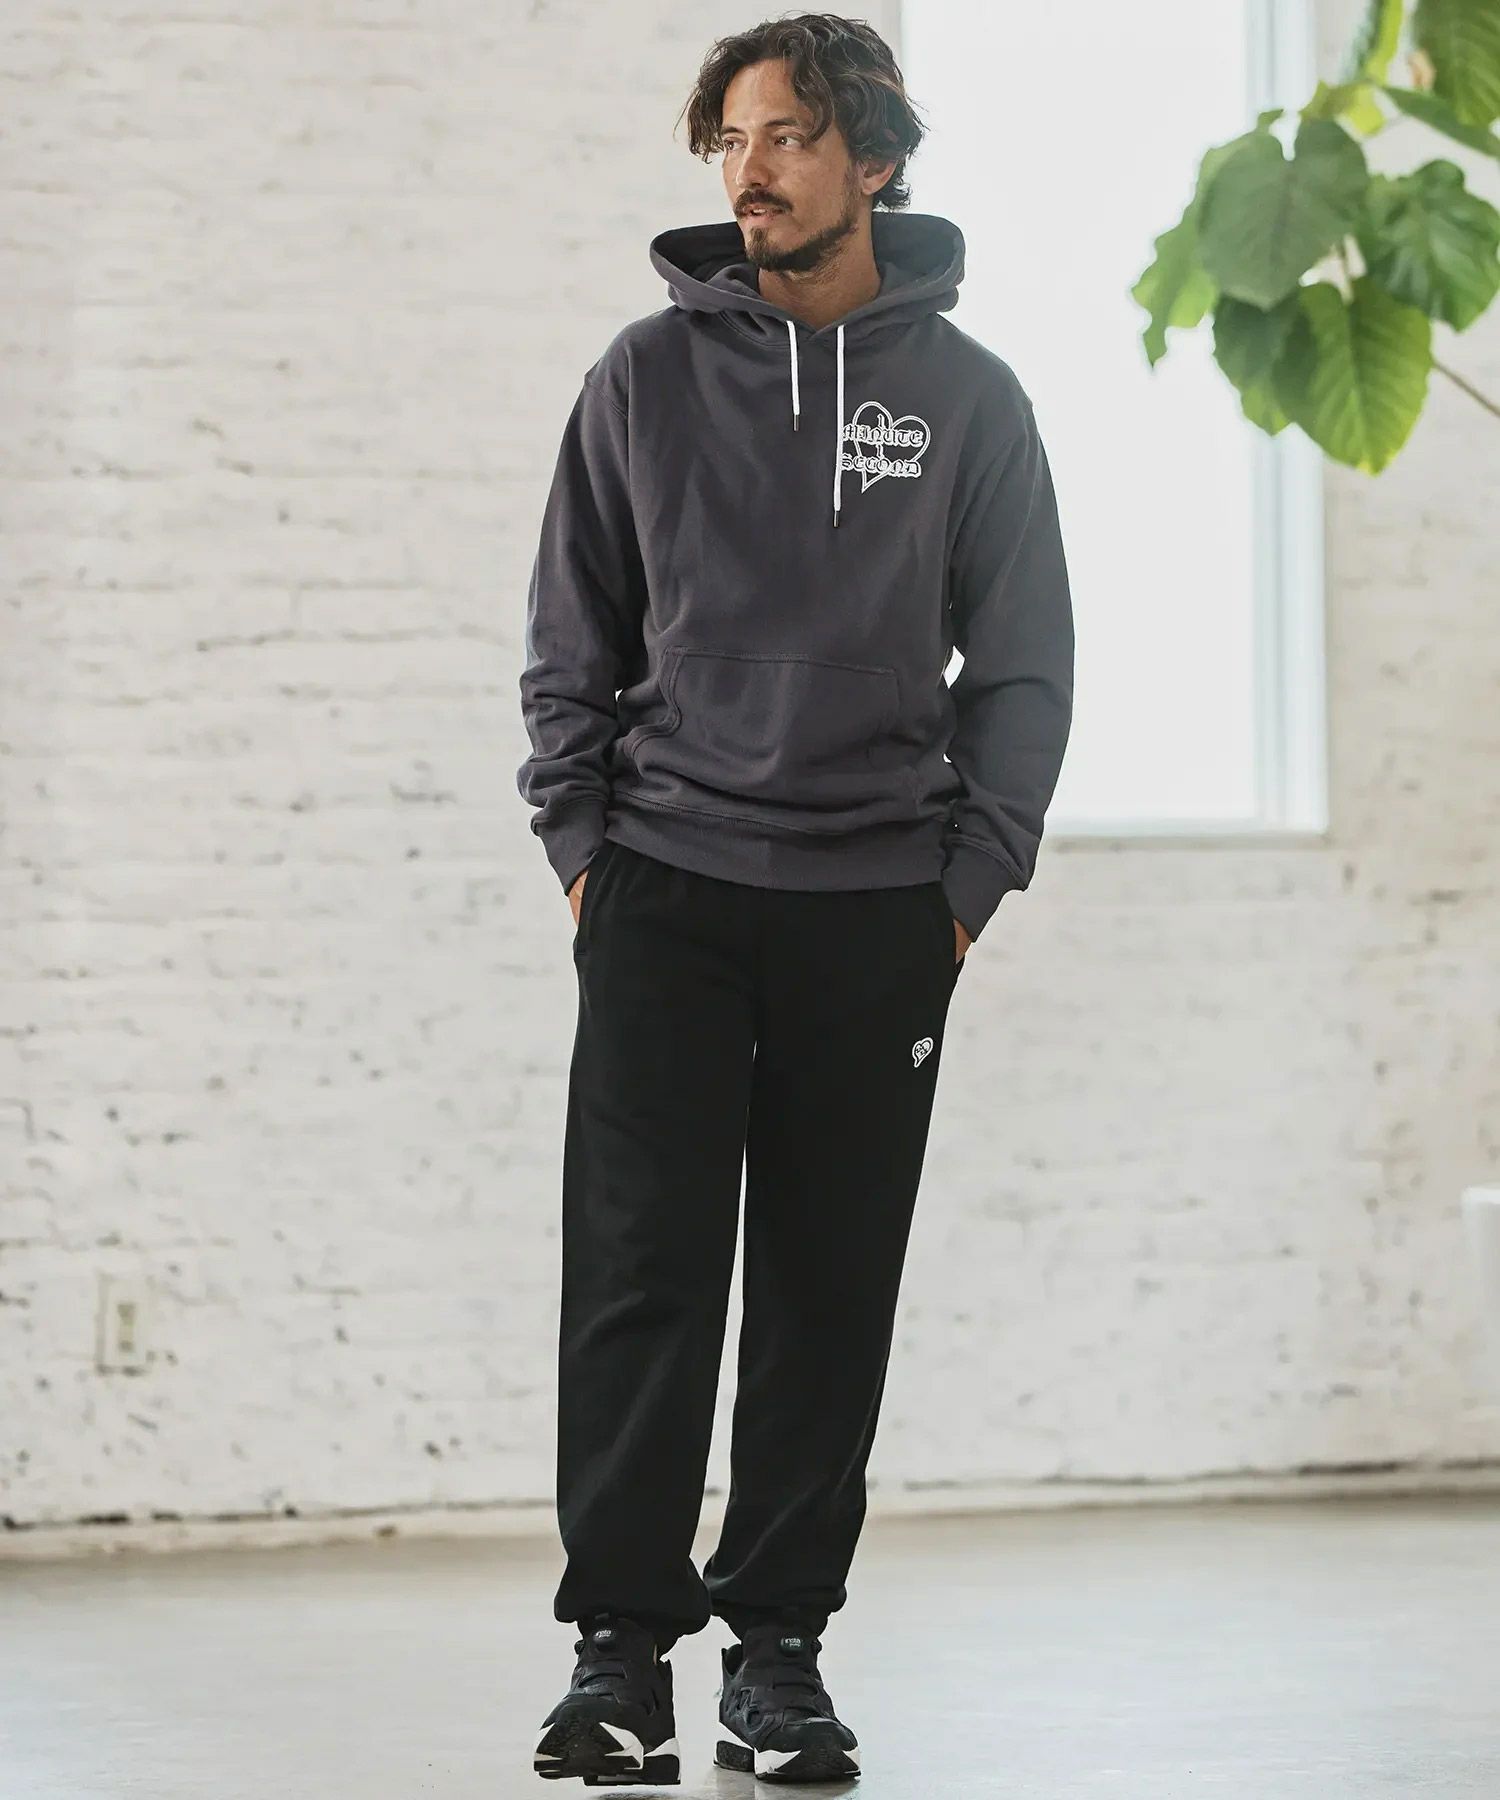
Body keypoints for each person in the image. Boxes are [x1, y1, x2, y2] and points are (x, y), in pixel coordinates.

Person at [520, 12, 1074, 1786]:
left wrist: (965, 889)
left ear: (874, 161)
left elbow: (1027, 666)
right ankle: (619, 1654)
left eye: (784, 138)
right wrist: (589, 855)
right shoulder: (642, 378)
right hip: (668, 891)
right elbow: (568, 642)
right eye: (731, 143)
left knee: (830, 1288)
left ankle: (778, 1655)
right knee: (641, 1277)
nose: (746, 174)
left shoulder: (969, 398)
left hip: (875, 909)